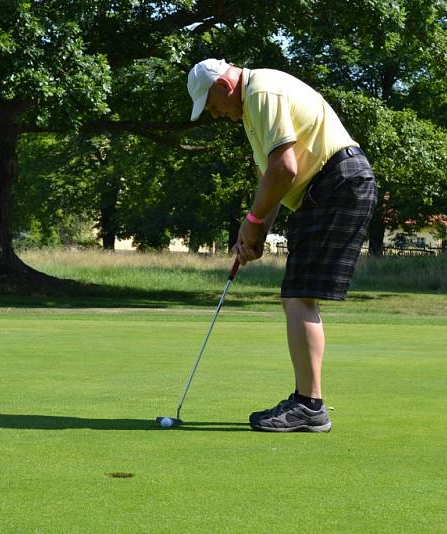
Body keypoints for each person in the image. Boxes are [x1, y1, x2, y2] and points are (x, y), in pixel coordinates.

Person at [187, 59, 377, 432]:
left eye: (211, 106)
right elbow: (273, 178)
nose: (216, 114)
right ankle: (308, 402)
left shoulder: (261, 91)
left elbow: (285, 169)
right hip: (331, 187)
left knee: (299, 296)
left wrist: (253, 222)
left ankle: (309, 406)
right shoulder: (254, 105)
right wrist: (255, 231)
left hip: (335, 183)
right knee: (298, 295)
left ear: (224, 88)